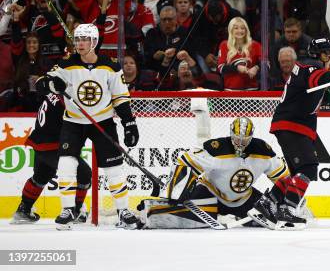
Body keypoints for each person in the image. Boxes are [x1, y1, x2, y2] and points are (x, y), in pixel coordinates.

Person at [35, 23, 141, 230]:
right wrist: (51, 85)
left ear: (94, 42)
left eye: (84, 39)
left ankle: (123, 212)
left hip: (102, 121)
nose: (80, 43)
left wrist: (129, 123)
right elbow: (41, 82)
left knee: (114, 168)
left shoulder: (111, 66)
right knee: (66, 164)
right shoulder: (67, 64)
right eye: (78, 39)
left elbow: (120, 97)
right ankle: (67, 210)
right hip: (73, 122)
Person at [248, 38, 330, 230]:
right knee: (308, 168)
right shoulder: (311, 67)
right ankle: (287, 210)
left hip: (290, 124)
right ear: (322, 55)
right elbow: (320, 77)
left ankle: (267, 204)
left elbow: (326, 66)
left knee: (297, 172)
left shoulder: (310, 63)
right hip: (293, 125)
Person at [139, 117, 290, 229]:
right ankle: (149, 210)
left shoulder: (263, 152)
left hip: (244, 198)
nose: (240, 144)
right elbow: (185, 161)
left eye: (244, 140)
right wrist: (176, 190)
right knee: (178, 212)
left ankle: (240, 213)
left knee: (277, 219)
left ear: (251, 138)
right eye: (237, 139)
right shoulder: (217, 149)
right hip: (210, 193)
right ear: (231, 134)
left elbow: (283, 178)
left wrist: (289, 202)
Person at [11, 91, 91, 224]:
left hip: (41, 142)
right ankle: (75, 211)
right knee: (84, 173)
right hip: (53, 145)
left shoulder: (55, 91)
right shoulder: (67, 96)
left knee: (41, 176)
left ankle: (23, 210)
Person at [217, 17, 261, 90]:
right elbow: (220, 68)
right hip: (231, 91)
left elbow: (266, 64)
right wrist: (237, 68)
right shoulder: (224, 45)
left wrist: (256, 68)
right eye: (236, 28)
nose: (240, 31)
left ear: (246, 30)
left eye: (242, 28)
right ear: (231, 30)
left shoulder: (255, 45)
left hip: (251, 90)